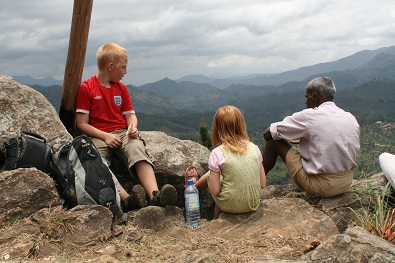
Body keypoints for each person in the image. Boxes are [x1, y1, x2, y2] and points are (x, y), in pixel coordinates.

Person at [75, 42, 177, 212]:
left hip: (123, 132)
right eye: (123, 67)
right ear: (110, 66)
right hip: (99, 136)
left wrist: (133, 127)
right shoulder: (87, 89)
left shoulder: (121, 89)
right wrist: (105, 136)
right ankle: (128, 199)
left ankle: (155, 196)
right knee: (98, 162)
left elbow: (130, 115)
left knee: (137, 147)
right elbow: (82, 123)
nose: (125, 72)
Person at [262, 76, 360, 197]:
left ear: (315, 96)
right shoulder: (349, 117)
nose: (305, 102)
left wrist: (287, 136)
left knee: (273, 142)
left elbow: (268, 133)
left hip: (322, 187)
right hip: (346, 182)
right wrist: (306, 138)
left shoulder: (309, 116)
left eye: (307, 97)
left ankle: (254, 184)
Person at [185, 105, 266, 219]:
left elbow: (214, 190)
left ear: (217, 129)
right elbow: (262, 184)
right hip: (252, 203)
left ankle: (191, 189)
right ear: (242, 125)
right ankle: (215, 218)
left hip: (230, 205)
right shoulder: (255, 148)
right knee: (226, 181)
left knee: (210, 176)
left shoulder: (218, 152)